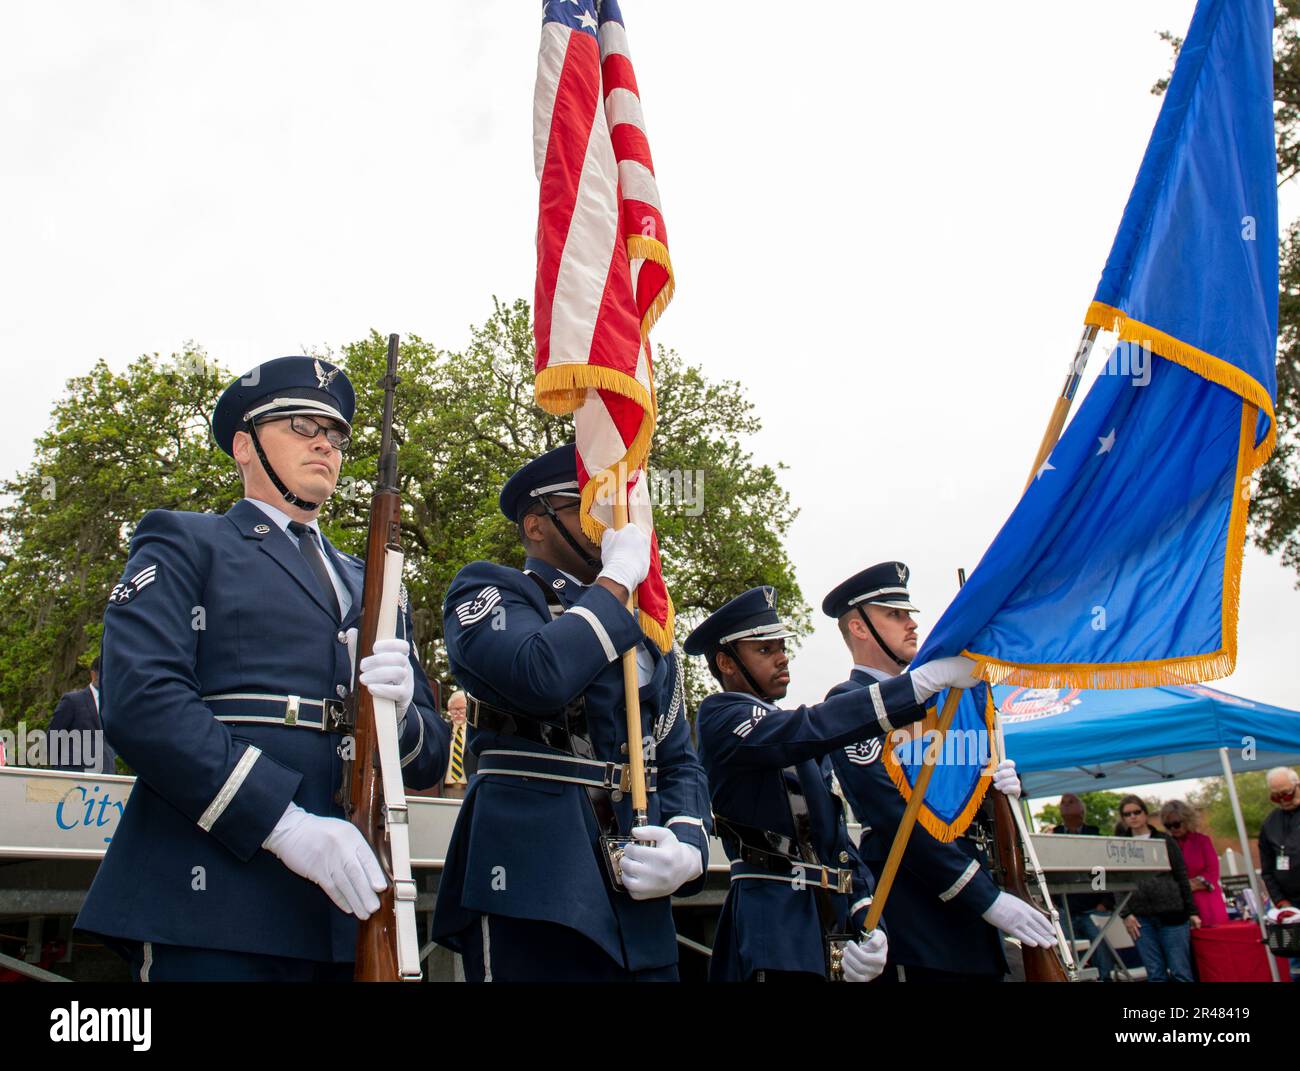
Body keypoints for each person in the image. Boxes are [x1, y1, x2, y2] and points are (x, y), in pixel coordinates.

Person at [76, 356, 450, 981]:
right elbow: (143, 700)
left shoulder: (376, 582)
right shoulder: (186, 541)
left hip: (346, 908)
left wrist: (406, 713)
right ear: (245, 446)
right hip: (217, 892)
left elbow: (431, 757)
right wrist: (281, 823)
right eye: (302, 426)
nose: (325, 444)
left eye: (334, 435)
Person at [431, 444, 711, 982]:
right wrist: (618, 579)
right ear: (537, 525)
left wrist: (688, 844)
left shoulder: (647, 629)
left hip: (638, 899)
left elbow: (679, 761)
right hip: (534, 886)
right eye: (591, 506)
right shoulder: (491, 588)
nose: (614, 522)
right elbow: (540, 674)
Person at [687, 583, 983, 981]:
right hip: (770, 924)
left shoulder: (794, 737)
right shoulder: (721, 715)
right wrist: (913, 688)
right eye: (764, 650)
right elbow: (810, 725)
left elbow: (836, 840)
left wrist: (865, 913)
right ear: (725, 662)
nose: (781, 658)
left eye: (781, 647)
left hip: (822, 922)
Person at [819, 563, 1055, 982]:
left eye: (908, 614)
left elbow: (955, 800)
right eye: (894, 615)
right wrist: (986, 899)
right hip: (920, 916)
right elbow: (894, 817)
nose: (912, 624)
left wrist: (997, 790)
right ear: (858, 628)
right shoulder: (850, 703)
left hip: (976, 911)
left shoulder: (944, 702)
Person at [1115, 794, 1199, 982]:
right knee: (1155, 974)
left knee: (1181, 972)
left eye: (1137, 812)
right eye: (1127, 814)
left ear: (1145, 814)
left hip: (1173, 914)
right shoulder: (1119, 846)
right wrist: (1125, 914)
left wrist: (1192, 911)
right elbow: (1117, 882)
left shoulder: (1164, 840)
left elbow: (1181, 875)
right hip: (1140, 919)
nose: (1133, 817)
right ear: (1123, 819)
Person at [1051, 793, 1116, 980]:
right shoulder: (1056, 835)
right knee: (1066, 952)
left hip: (1092, 905)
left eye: (1070, 802)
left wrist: (1104, 900)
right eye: (1062, 803)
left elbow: (1101, 868)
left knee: (1101, 950)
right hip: (1064, 906)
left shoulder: (1093, 833)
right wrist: (1056, 902)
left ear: (1081, 809)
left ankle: (1106, 978)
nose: (1065, 806)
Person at [1161, 799, 1228, 926]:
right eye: (1168, 825)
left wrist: (1188, 885)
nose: (1173, 828)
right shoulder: (1165, 845)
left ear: (1186, 820)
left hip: (1206, 902)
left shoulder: (1202, 841)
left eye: (1176, 824)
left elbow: (1213, 872)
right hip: (1180, 904)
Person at [48, 655, 117, 774]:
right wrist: (60, 770)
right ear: (94, 675)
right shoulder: (73, 701)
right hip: (74, 775)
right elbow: (53, 737)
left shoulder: (115, 706)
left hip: (106, 776)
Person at [1260, 767, 1300, 912]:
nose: (1283, 800)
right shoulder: (1270, 823)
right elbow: (1267, 869)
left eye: (1286, 794)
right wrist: (1280, 901)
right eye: (1276, 797)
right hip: (1291, 903)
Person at [436, 690, 475, 800]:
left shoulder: (474, 733)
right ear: (449, 710)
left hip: (469, 789)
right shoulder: (443, 730)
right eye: (454, 709)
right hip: (445, 790)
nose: (458, 713)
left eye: (462, 709)